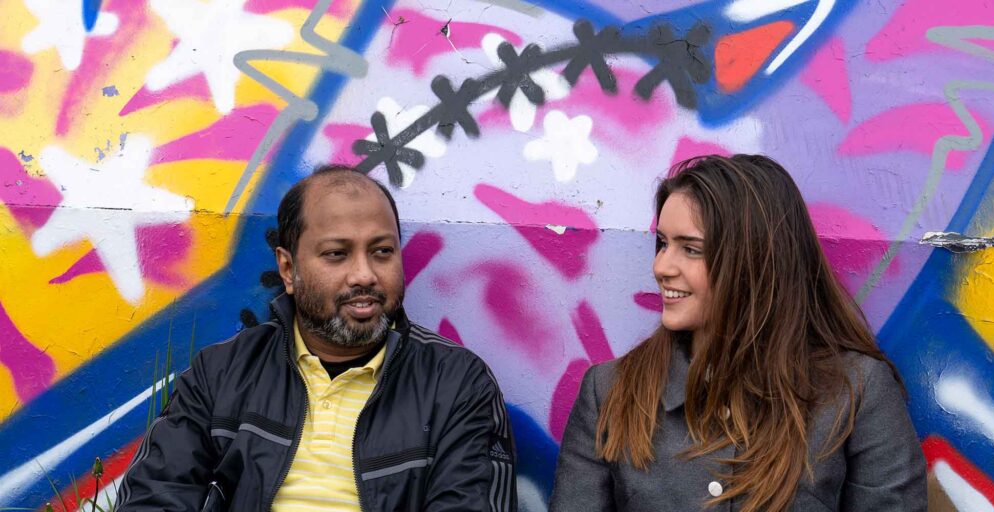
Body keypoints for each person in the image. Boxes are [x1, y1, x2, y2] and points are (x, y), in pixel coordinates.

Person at [115, 165, 516, 511]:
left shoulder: (456, 384)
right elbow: (154, 497)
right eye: (337, 254)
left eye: (381, 252)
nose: (364, 275)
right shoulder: (221, 374)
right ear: (288, 270)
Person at [549, 155, 926, 511]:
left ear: (754, 261)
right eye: (663, 244)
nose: (662, 266)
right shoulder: (610, 391)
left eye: (690, 249)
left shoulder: (855, 393)